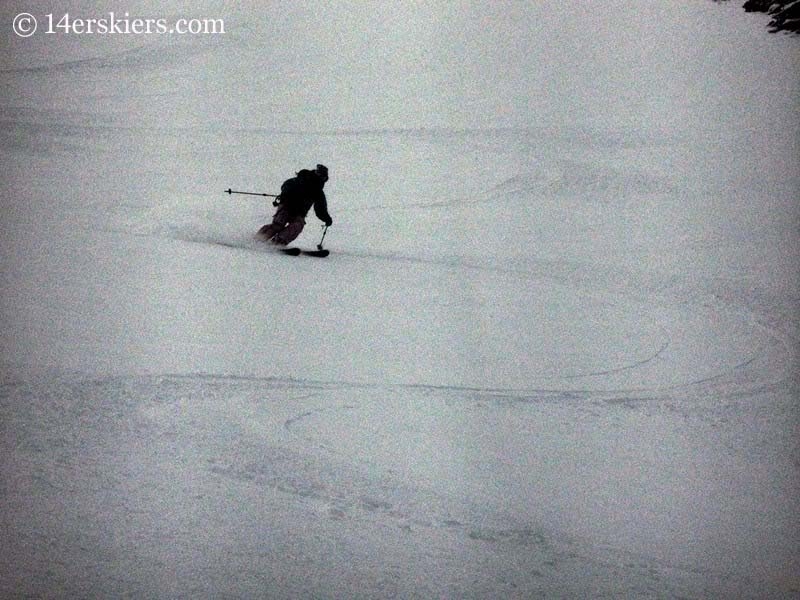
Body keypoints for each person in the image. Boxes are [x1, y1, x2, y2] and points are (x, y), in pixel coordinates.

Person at [258, 164, 333, 246]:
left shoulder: (318, 193)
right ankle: (259, 238)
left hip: (300, 212)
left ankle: (279, 241)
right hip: (287, 206)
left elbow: (320, 209)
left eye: (323, 178)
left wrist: (326, 218)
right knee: (278, 224)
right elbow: (286, 185)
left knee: (297, 225)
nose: (321, 179)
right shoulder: (302, 179)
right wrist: (286, 193)